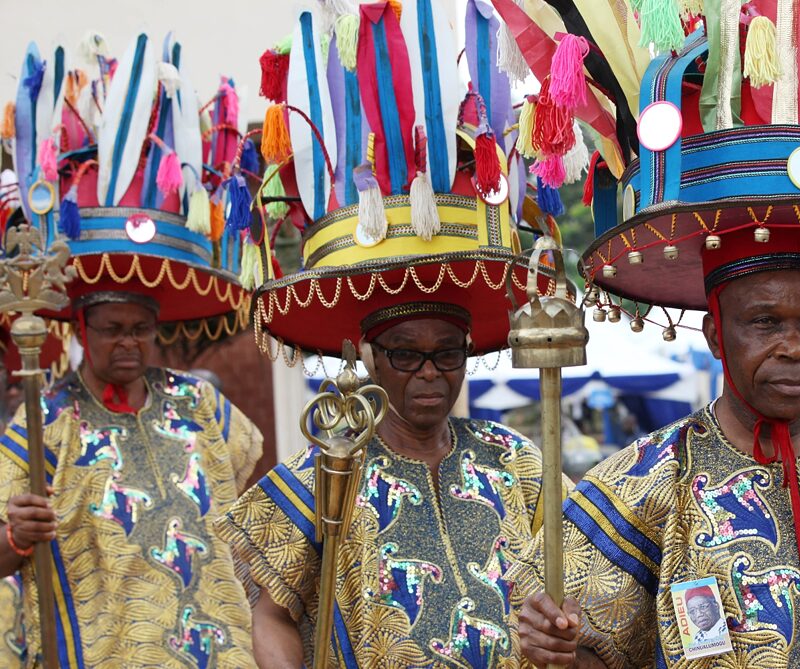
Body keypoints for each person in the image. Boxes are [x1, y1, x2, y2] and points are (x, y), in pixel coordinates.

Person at [494, 0, 800, 665]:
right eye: (763, 321)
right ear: (715, 333)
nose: (794, 346)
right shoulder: (642, 483)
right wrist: (555, 648)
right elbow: (593, 652)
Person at [217, 7, 560, 667]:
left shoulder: (519, 464)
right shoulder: (320, 475)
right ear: (370, 356)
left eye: (447, 353)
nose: (430, 372)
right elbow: (269, 616)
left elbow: (566, 593)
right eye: (406, 354)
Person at [0, 32, 260, 667]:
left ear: (155, 329)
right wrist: (16, 537)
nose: (127, 342)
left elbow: (249, 506)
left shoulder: (202, 404)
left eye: (138, 328)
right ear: (81, 330)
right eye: (111, 328)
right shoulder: (44, 420)